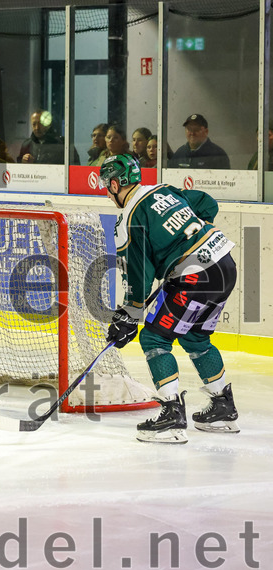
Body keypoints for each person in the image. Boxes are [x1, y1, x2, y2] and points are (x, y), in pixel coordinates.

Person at [100, 154, 238, 444]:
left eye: (106, 186)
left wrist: (129, 315)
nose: (107, 193)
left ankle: (172, 415)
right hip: (224, 265)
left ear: (114, 184)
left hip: (195, 276)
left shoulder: (129, 218)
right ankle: (223, 408)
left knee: (154, 338)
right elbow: (207, 203)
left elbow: (138, 274)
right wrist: (189, 241)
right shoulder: (164, 190)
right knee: (195, 337)